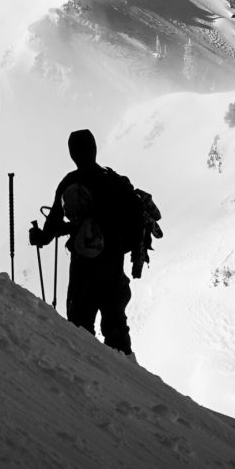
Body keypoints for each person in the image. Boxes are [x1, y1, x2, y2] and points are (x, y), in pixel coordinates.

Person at [29, 129, 141, 356]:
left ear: (72, 154)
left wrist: (39, 237)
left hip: (84, 266)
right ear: (94, 149)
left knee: (80, 326)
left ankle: (87, 378)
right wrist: (136, 258)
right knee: (116, 326)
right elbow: (134, 218)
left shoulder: (70, 182)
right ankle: (127, 380)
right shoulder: (114, 182)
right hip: (112, 263)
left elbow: (51, 228)